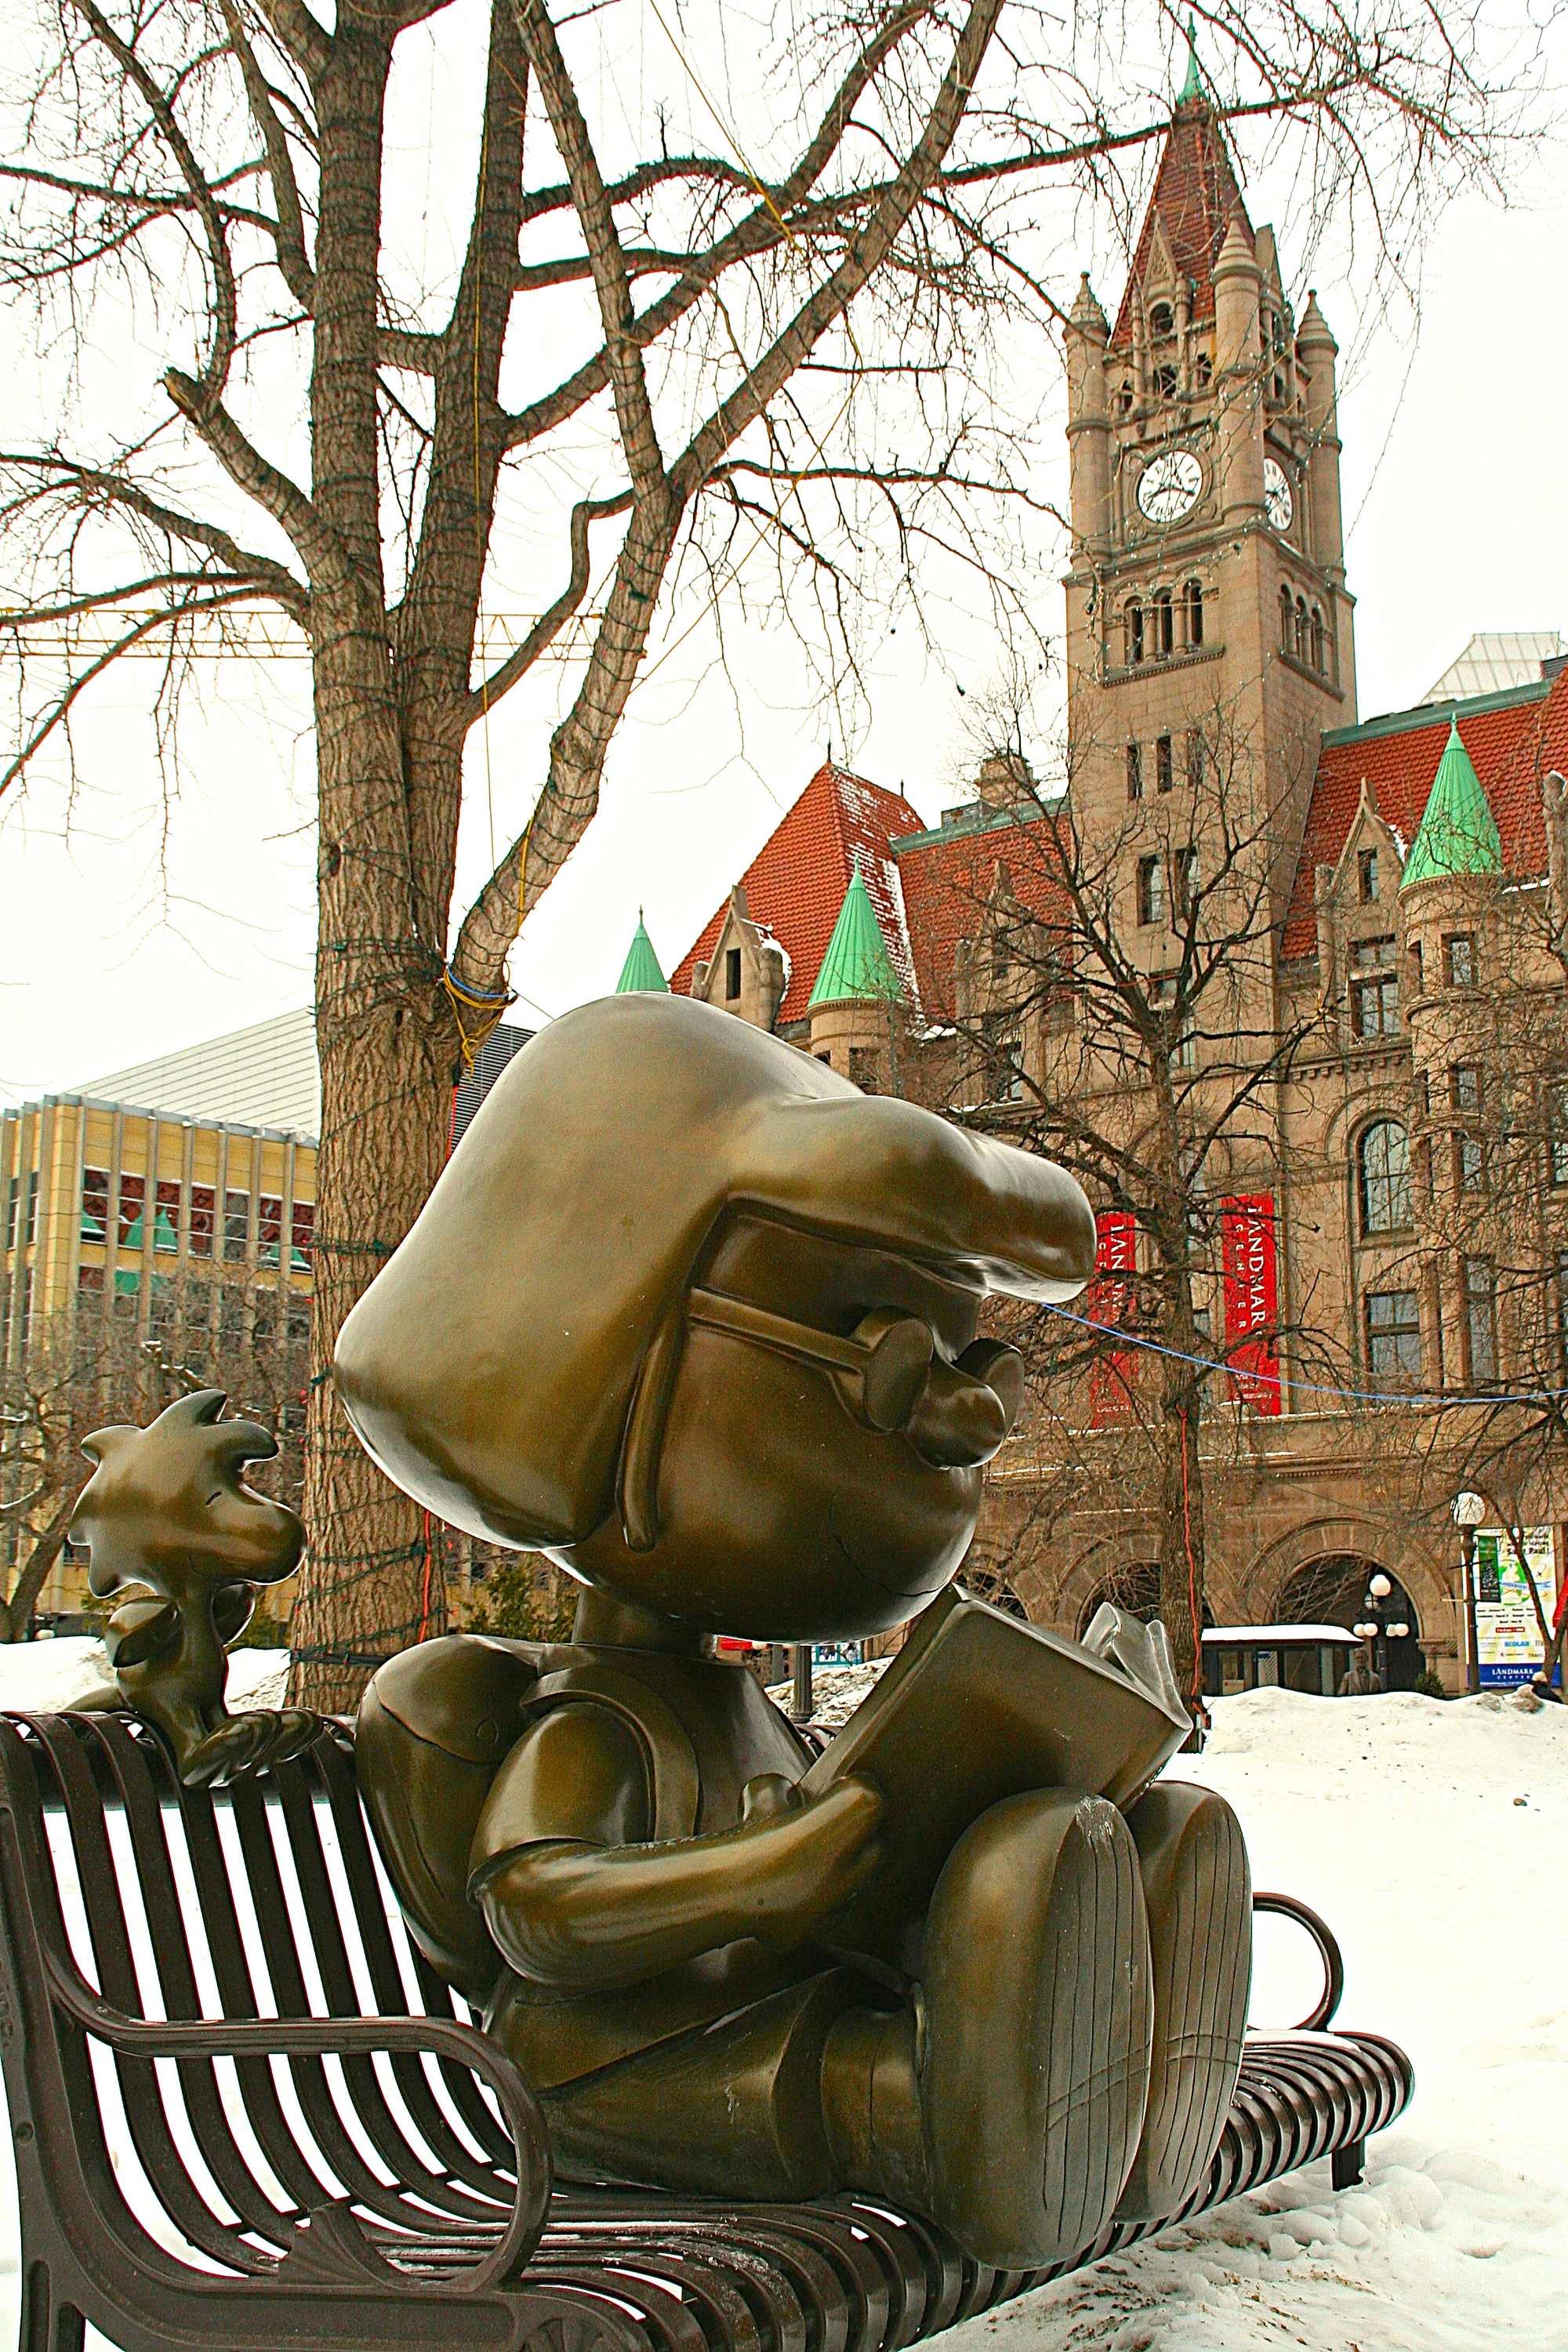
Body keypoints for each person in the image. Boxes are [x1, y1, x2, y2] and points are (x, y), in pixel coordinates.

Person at [337, 994, 1253, 2268]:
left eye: (975, 1370)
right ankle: (977, 2126)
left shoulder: (749, 1715)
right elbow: (535, 1909)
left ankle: (1121, 2057)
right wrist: (756, 1877)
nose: (964, 1426)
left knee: (1055, 1848)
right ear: (616, 1385)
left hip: (753, 2012)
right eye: (888, 1363)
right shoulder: (598, 1721)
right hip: (630, 2066)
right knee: (856, 2078)